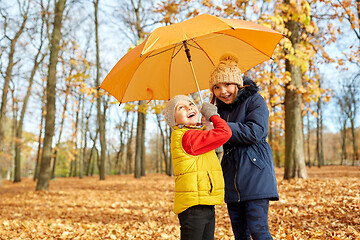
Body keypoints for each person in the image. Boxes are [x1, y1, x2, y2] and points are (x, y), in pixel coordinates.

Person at [209, 53, 279, 240]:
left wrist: (219, 125)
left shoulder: (255, 100)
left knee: (258, 230)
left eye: (227, 85)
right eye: (216, 87)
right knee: (240, 233)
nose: (222, 91)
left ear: (237, 84)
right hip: (231, 176)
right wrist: (206, 125)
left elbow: (255, 132)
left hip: (255, 172)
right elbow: (215, 141)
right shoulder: (217, 110)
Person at [163, 95, 232, 240]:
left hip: (204, 201)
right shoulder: (186, 137)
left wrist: (208, 129)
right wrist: (213, 115)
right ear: (174, 120)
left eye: (191, 104)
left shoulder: (196, 135)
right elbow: (226, 132)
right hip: (194, 207)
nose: (189, 107)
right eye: (181, 107)